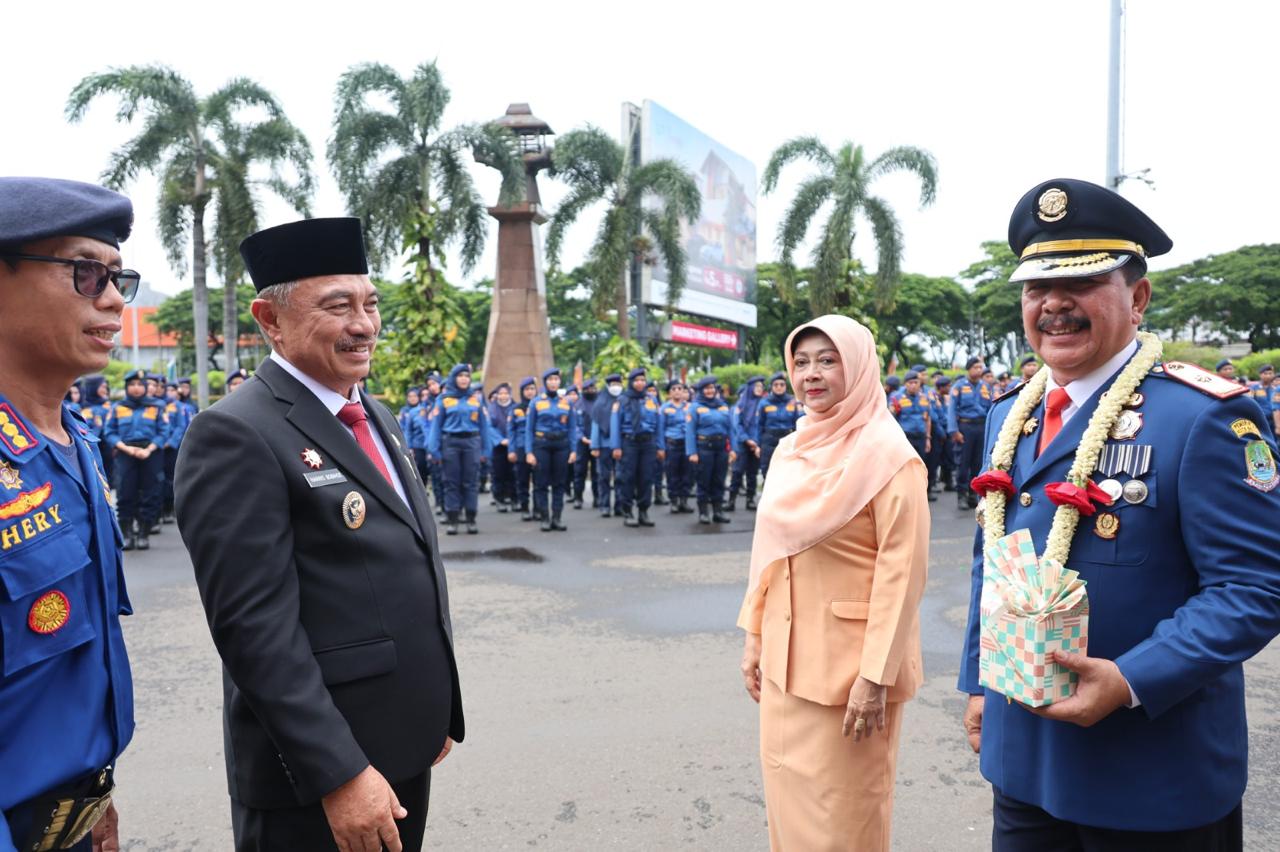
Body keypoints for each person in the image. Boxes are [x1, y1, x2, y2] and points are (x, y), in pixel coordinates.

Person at [958, 178, 1280, 849]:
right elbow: (993, 560)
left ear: (1137, 298)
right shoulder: (1007, 415)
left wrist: (1133, 678)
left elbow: (1254, 587)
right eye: (1036, 287)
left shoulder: (1202, 417)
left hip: (1151, 772)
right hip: (1023, 757)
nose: (1053, 304)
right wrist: (979, 681)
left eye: (1080, 283)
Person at [175, 217, 460, 852]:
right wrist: (340, 774)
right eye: (337, 307)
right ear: (270, 320)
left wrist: (432, 708)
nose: (364, 324)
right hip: (320, 775)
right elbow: (254, 631)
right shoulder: (236, 433)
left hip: (399, 745)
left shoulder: (374, 413)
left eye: (370, 303)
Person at [738, 314, 929, 852]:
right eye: (800, 362)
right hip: (784, 665)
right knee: (789, 815)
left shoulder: (890, 457)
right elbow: (770, 552)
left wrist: (875, 676)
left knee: (844, 823)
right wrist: (755, 635)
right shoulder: (792, 448)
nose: (811, 374)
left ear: (860, 366)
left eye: (828, 360)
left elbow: (903, 574)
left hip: (850, 676)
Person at [0, 177, 141, 852]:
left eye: (118, 278)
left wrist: (91, 802)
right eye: (86, 273)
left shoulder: (75, 441)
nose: (112, 299)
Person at [104, 369, 170, 550]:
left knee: (151, 493)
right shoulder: (118, 407)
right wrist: (126, 449)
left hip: (151, 453)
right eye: (132, 384)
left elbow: (164, 431)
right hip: (126, 452)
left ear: (146, 387)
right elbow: (109, 432)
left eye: (140, 384)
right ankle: (126, 534)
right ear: (127, 387)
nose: (136, 388)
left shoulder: (157, 406)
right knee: (125, 492)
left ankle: (143, 533)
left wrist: (149, 449)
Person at [427, 364, 492, 536]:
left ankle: (471, 518)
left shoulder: (475, 400)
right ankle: (453, 519)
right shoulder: (443, 399)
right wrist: (434, 449)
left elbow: (484, 427)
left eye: (467, 376)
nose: (464, 379)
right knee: (451, 482)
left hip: (472, 442)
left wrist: (486, 450)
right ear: (454, 378)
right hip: (451, 443)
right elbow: (436, 426)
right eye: (460, 376)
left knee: (471, 482)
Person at [525, 368, 579, 532]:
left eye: (556, 379)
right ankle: (545, 518)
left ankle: (557, 517)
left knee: (559, 483)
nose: (553, 382)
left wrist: (573, 450)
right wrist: (529, 452)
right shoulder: (536, 402)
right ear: (545, 382)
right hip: (542, 444)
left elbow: (572, 428)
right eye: (550, 380)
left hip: (561, 445)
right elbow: (529, 429)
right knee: (541, 483)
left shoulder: (567, 402)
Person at [608, 367, 663, 527]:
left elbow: (659, 425)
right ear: (631, 382)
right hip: (629, 442)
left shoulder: (652, 400)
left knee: (646, 478)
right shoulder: (622, 400)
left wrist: (660, 446)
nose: (640, 383)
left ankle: (643, 511)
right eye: (637, 380)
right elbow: (615, 424)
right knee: (628, 478)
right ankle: (628, 511)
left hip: (648, 443)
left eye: (642, 380)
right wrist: (616, 446)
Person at [685, 375, 735, 524]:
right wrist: (692, 452)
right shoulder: (695, 406)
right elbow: (690, 431)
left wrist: (733, 449)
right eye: (706, 388)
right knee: (704, 480)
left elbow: (731, 430)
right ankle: (703, 512)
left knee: (719, 480)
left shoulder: (723, 405)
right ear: (701, 390)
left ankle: (718, 512)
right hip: (704, 448)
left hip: (721, 448)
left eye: (712, 388)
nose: (709, 391)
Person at [948, 356, 992, 509]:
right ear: (968, 369)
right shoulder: (959, 386)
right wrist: (954, 430)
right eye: (975, 368)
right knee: (963, 463)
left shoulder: (986, 386)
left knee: (978, 463)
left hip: (981, 427)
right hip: (965, 427)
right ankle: (961, 495)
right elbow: (952, 410)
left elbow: (991, 409)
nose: (979, 370)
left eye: (980, 368)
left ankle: (973, 495)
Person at [890, 371, 935, 504]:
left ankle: (922, 493)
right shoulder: (897, 398)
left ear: (920, 384)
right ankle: (905, 494)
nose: (913, 385)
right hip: (905, 438)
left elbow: (928, 419)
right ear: (905, 384)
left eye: (916, 382)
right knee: (904, 467)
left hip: (921, 437)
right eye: (910, 383)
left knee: (921, 466)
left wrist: (928, 438)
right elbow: (891, 420)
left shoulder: (924, 398)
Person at [755, 372, 802, 481]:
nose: (779, 387)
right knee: (767, 470)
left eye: (782, 384)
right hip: (769, 440)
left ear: (785, 386)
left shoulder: (792, 401)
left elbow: (798, 422)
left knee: (788, 471)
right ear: (771, 387)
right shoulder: (764, 402)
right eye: (776, 385)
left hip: (788, 439)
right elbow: (759, 425)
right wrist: (758, 445)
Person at [729, 376, 765, 511]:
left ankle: (750, 499)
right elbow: (737, 424)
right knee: (737, 471)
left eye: (761, 386)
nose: (759, 389)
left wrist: (756, 442)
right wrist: (746, 439)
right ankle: (731, 500)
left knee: (752, 473)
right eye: (757, 386)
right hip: (743, 443)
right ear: (750, 388)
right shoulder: (741, 404)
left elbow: (762, 425)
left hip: (757, 443)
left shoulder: (763, 403)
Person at [590, 373, 623, 517]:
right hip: (604, 445)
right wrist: (595, 446)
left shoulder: (624, 401)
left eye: (618, 384)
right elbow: (596, 425)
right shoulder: (600, 403)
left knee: (620, 477)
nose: (616, 387)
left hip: (621, 446)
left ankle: (620, 505)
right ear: (608, 386)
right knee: (603, 477)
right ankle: (604, 505)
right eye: (613, 384)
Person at [660, 380, 694, 514]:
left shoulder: (690, 407)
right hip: (672, 444)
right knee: (672, 474)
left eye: (680, 388)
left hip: (687, 444)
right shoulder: (665, 408)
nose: (677, 391)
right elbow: (661, 429)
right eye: (674, 389)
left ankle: (684, 501)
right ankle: (674, 501)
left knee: (687, 473)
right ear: (669, 393)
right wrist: (661, 447)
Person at [161, 380, 192, 525]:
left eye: (173, 390)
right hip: (157, 446)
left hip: (174, 446)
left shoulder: (180, 407)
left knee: (171, 477)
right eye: (167, 390)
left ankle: (169, 507)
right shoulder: (158, 405)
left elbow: (182, 427)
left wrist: (171, 442)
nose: (169, 393)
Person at [508, 377, 537, 520]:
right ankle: (524, 507)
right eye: (527, 389)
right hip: (520, 447)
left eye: (532, 389)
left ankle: (538, 509)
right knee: (522, 479)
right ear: (522, 391)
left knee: (539, 480)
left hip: (537, 447)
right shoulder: (516, 409)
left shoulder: (540, 406)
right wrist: (511, 450)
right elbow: (511, 431)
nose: (530, 392)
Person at [572, 378, 600, 510]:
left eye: (592, 388)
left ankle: (597, 498)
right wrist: (582, 437)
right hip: (581, 443)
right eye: (588, 389)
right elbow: (574, 425)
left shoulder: (599, 403)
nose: (590, 391)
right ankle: (578, 498)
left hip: (597, 442)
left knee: (597, 472)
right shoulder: (578, 404)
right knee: (579, 471)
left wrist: (596, 439)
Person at [487, 383, 516, 513]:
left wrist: (512, 440)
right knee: (498, 473)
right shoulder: (492, 409)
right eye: (501, 393)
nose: (503, 396)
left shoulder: (515, 407)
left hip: (513, 445)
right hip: (498, 446)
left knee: (513, 473)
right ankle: (499, 499)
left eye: (506, 393)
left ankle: (514, 498)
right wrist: (500, 440)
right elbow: (489, 426)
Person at [933, 375, 956, 491]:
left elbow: (949, 416)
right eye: (948, 386)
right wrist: (942, 432)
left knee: (948, 457)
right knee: (935, 459)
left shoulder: (946, 399)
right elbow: (935, 417)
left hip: (947, 432)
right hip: (937, 432)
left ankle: (948, 482)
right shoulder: (934, 398)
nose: (949, 388)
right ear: (941, 387)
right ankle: (932, 484)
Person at [1247, 364, 1274, 435]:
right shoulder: (1253, 388)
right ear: (1260, 375)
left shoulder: (1276, 388)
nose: (1268, 376)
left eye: (1270, 373)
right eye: (1265, 373)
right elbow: (1250, 403)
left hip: (1275, 420)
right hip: (1261, 419)